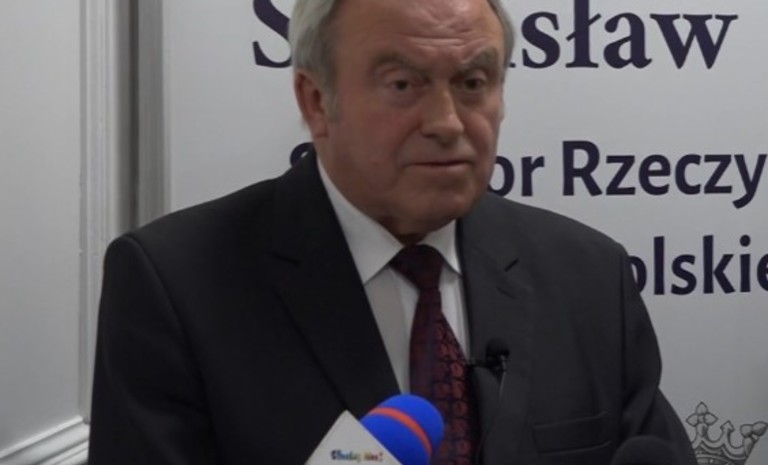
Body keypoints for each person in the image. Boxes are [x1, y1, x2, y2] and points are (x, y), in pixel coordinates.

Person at [88, 0, 697, 464]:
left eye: (473, 82)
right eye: (403, 84)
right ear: (316, 101)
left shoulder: (588, 274)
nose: (447, 123)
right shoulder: (176, 285)